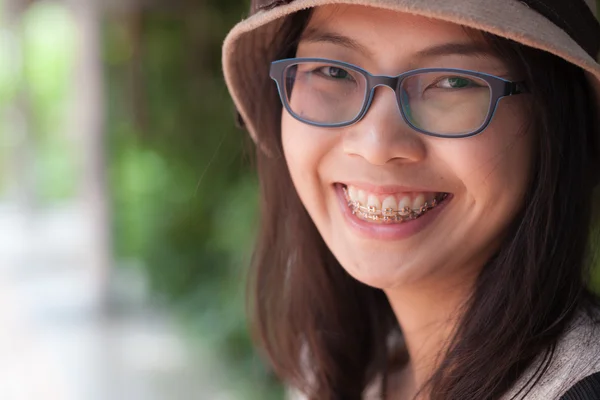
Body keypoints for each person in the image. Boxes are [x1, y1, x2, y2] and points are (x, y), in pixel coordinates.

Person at [221, 0, 600, 399]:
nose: (376, 144)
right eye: (332, 71)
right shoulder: (333, 370)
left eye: (453, 81)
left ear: (554, 121)